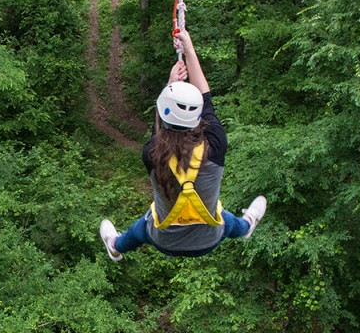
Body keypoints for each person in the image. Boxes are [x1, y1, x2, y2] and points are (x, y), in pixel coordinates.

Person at [100, 30, 267, 260]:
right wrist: (189, 49)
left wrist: (171, 84)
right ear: (198, 116)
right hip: (210, 238)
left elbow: (158, 126)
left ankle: (115, 246)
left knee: (141, 228)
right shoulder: (215, 144)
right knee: (228, 221)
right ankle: (248, 225)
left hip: (164, 240)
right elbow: (206, 101)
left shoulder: (152, 153)